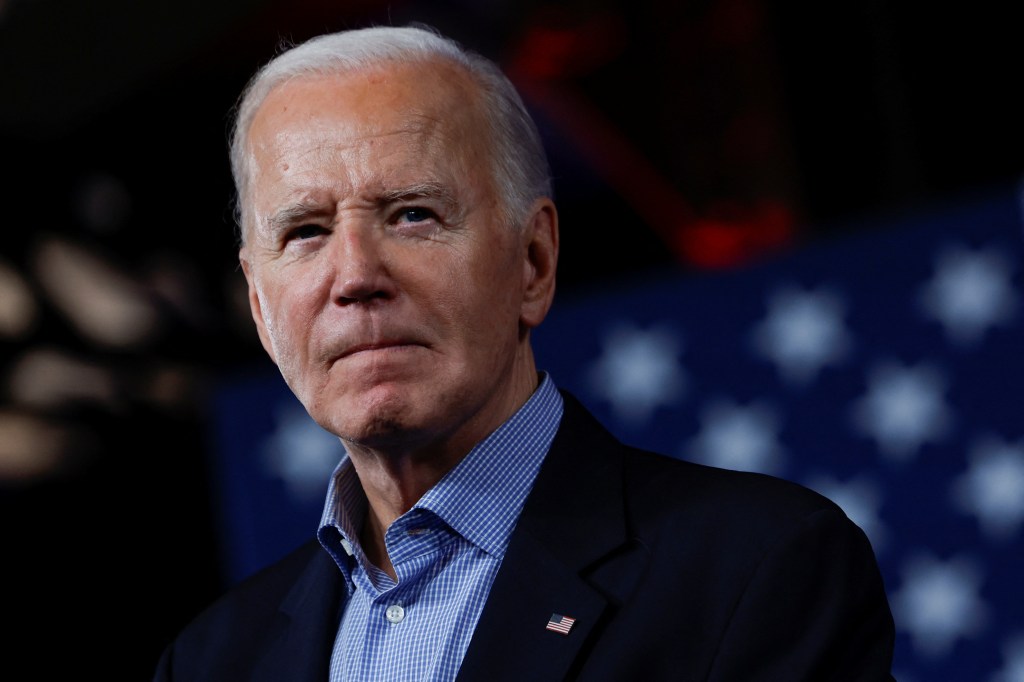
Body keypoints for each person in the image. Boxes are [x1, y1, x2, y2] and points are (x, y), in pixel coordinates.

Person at [154, 23, 895, 681]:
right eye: (306, 232)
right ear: (260, 305)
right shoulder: (211, 660)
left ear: (533, 262)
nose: (354, 277)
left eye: (413, 214)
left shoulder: (755, 570)